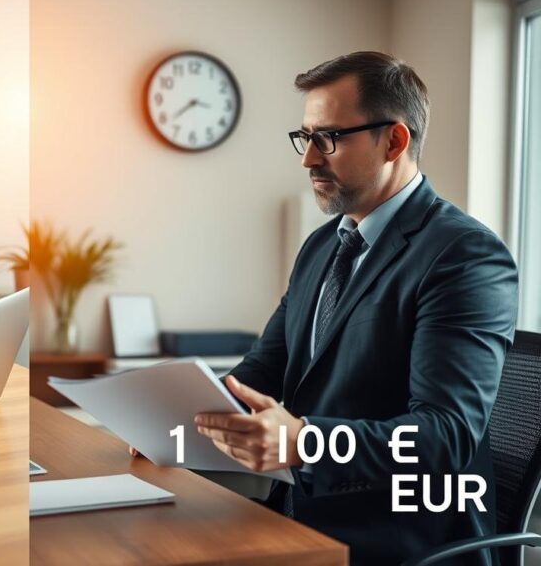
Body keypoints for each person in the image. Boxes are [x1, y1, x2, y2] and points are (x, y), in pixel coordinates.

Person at [134, 52, 517, 565]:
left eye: (329, 138)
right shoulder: (322, 245)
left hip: (397, 542)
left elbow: (445, 437)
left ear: (394, 141)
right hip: (298, 520)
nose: (308, 159)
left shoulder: (464, 255)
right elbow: (264, 369)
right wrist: (174, 420)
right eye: (306, 137)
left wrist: (306, 443)